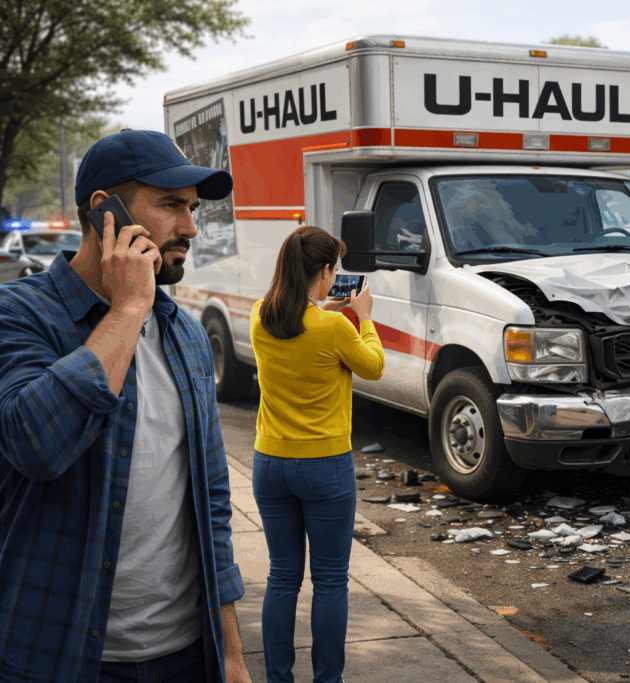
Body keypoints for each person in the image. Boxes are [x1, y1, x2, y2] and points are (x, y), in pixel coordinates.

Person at [0, 129, 252, 683]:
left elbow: (210, 504)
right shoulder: (19, 316)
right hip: (59, 655)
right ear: (103, 212)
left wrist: (232, 656)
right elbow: (35, 445)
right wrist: (129, 306)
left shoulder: (185, 334)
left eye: (192, 209)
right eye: (169, 205)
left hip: (186, 655)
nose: (189, 227)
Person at [250, 225, 384, 683]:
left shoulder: (260, 316)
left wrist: (324, 309)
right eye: (333, 271)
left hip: (269, 464)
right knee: (329, 582)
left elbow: (299, 327)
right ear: (324, 272)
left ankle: (278, 678)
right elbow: (374, 366)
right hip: (325, 467)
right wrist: (362, 316)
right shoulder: (333, 329)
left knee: (282, 578)